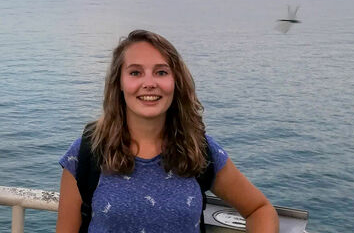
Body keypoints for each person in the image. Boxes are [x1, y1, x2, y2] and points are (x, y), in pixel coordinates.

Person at [56, 30, 279, 233]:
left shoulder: (199, 150)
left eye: (161, 72)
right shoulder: (88, 151)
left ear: (176, 81)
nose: (149, 83)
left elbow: (259, 209)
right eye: (135, 73)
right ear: (119, 83)